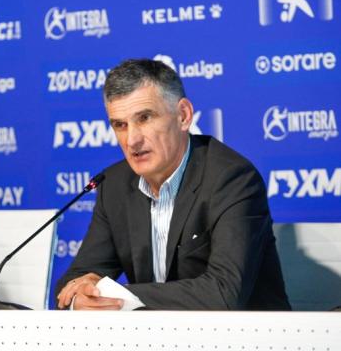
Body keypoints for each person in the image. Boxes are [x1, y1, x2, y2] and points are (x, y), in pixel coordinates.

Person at [56, 58, 290, 311]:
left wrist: (115, 293)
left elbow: (224, 292)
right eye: (120, 125)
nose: (132, 139)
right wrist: (81, 296)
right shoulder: (114, 185)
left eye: (144, 118)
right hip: (158, 344)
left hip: (246, 343)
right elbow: (75, 281)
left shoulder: (232, 179)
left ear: (183, 116)